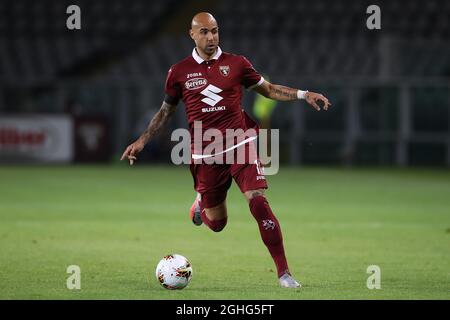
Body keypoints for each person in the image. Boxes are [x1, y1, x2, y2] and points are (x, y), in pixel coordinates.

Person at [121, 12, 331, 288]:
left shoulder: (237, 64)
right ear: (192, 34)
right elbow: (165, 112)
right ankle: (200, 204)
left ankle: (284, 274)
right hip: (205, 155)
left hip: (240, 143)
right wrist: (142, 140)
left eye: (215, 31)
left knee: (258, 201)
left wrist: (304, 94)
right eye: (205, 32)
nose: (211, 37)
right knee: (218, 224)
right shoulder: (179, 71)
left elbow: (268, 90)